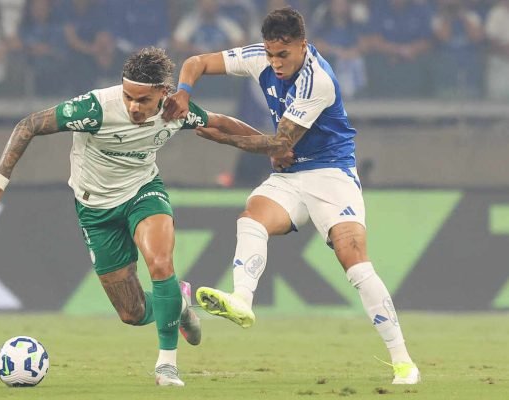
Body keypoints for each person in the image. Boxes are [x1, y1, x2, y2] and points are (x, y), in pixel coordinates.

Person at [0, 47, 273, 386]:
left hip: (143, 193)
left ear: (163, 93)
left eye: (143, 100)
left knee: (160, 264)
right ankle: (178, 304)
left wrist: (272, 146)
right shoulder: (95, 108)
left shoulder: (175, 110)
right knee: (132, 312)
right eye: (129, 97)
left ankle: (166, 366)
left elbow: (220, 123)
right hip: (95, 210)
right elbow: (30, 125)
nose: (134, 106)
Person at [162, 7, 420, 385]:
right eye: (270, 54)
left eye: (283, 54)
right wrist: (184, 93)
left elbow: (280, 144)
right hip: (291, 174)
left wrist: (221, 134)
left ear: (303, 45)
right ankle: (242, 300)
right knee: (252, 218)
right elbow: (195, 62)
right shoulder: (259, 57)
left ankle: (403, 363)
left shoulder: (318, 80)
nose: (275, 63)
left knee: (354, 260)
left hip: (331, 174)